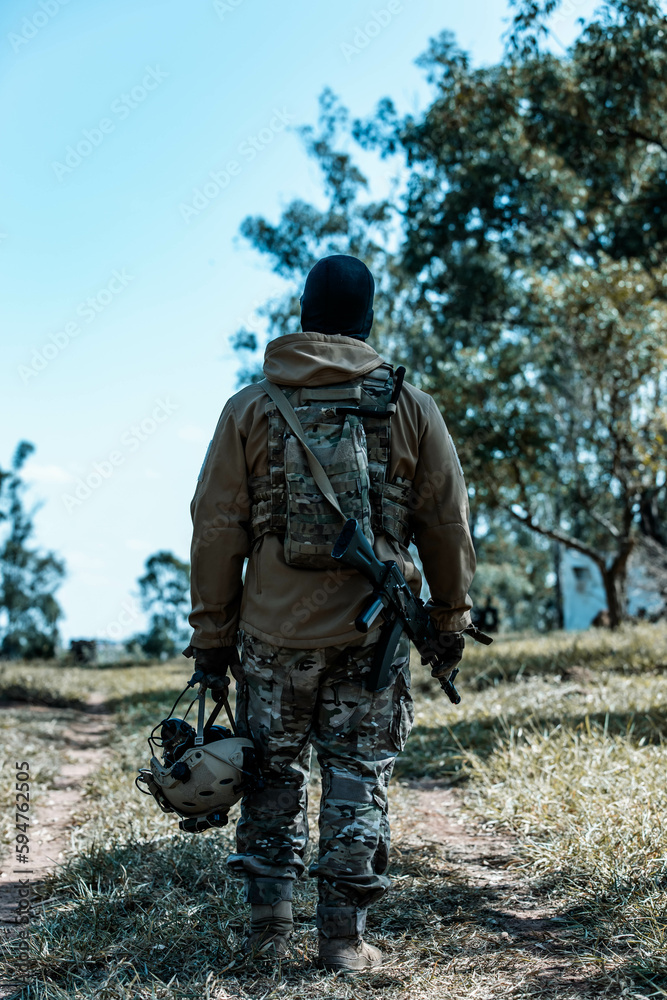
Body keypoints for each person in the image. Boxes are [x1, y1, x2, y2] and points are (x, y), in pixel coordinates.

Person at [186, 254, 476, 971]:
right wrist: (447, 619)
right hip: (371, 630)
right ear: (367, 319)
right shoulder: (410, 405)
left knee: (269, 777)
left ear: (305, 314)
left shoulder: (250, 406)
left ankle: (267, 933)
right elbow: (446, 525)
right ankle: (343, 943)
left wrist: (211, 639)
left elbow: (216, 528)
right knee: (356, 776)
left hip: (269, 632)